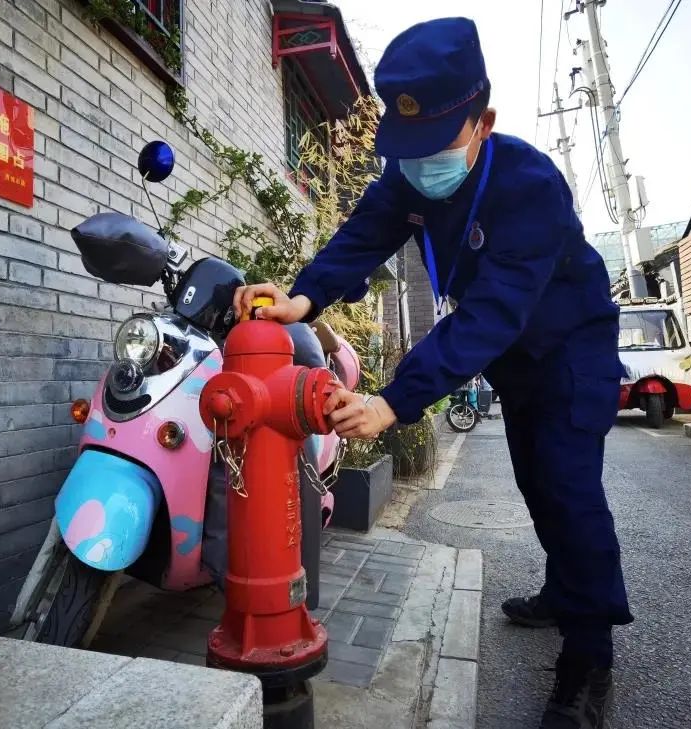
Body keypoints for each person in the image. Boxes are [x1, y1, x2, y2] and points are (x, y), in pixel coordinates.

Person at [233, 17, 632, 729]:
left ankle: (589, 652)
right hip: (512, 354)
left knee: (569, 488)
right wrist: (303, 296)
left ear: (486, 123)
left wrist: (394, 402)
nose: (418, 164)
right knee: (536, 481)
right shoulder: (412, 171)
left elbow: (487, 317)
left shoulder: (531, 186)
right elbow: (364, 232)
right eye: (406, 148)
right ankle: (561, 589)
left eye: (436, 143)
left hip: (571, 349)